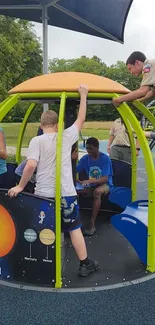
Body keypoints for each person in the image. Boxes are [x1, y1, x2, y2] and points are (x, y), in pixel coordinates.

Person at [8, 84, 98, 277]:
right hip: (66, 193)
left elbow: (31, 165)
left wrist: (21, 185)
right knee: (74, 228)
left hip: (43, 194)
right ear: (57, 125)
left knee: (44, 227)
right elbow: (81, 118)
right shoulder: (65, 136)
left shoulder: (36, 141)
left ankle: (42, 264)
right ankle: (85, 264)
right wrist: (84, 95)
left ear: (41, 126)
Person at [76, 137, 113, 236]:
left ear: (97, 147)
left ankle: (92, 223)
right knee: (75, 191)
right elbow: (75, 170)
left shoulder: (105, 159)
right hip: (91, 184)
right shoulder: (85, 159)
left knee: (97, 192)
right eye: (87, 148)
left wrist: (88, 181)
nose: (88, 151)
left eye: (91, 148)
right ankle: (74, 220)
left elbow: (105, 178)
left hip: (105, 185)